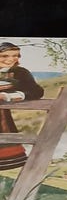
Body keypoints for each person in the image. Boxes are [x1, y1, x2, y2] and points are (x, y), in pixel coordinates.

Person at [0, 41, 44, 170]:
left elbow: (36, 91)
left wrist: (9, 96)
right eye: (5, 56)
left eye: (15, 55)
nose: (11, 59)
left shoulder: (21, 73)